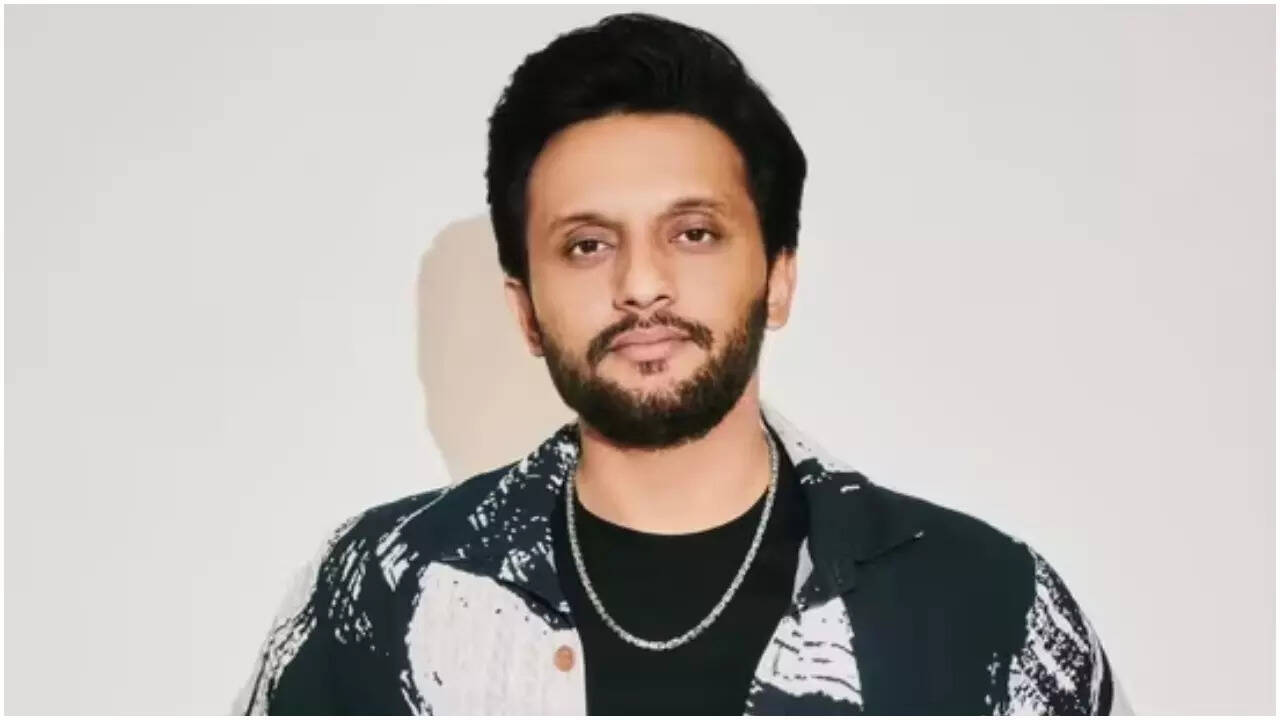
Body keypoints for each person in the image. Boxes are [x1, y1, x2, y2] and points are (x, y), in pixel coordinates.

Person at [233, 12, 1132, 715]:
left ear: (778, 278)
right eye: (587, 245)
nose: (641, 284)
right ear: (526, 310)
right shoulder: (379, 593)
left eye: (694, 233)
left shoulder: (985, 605)